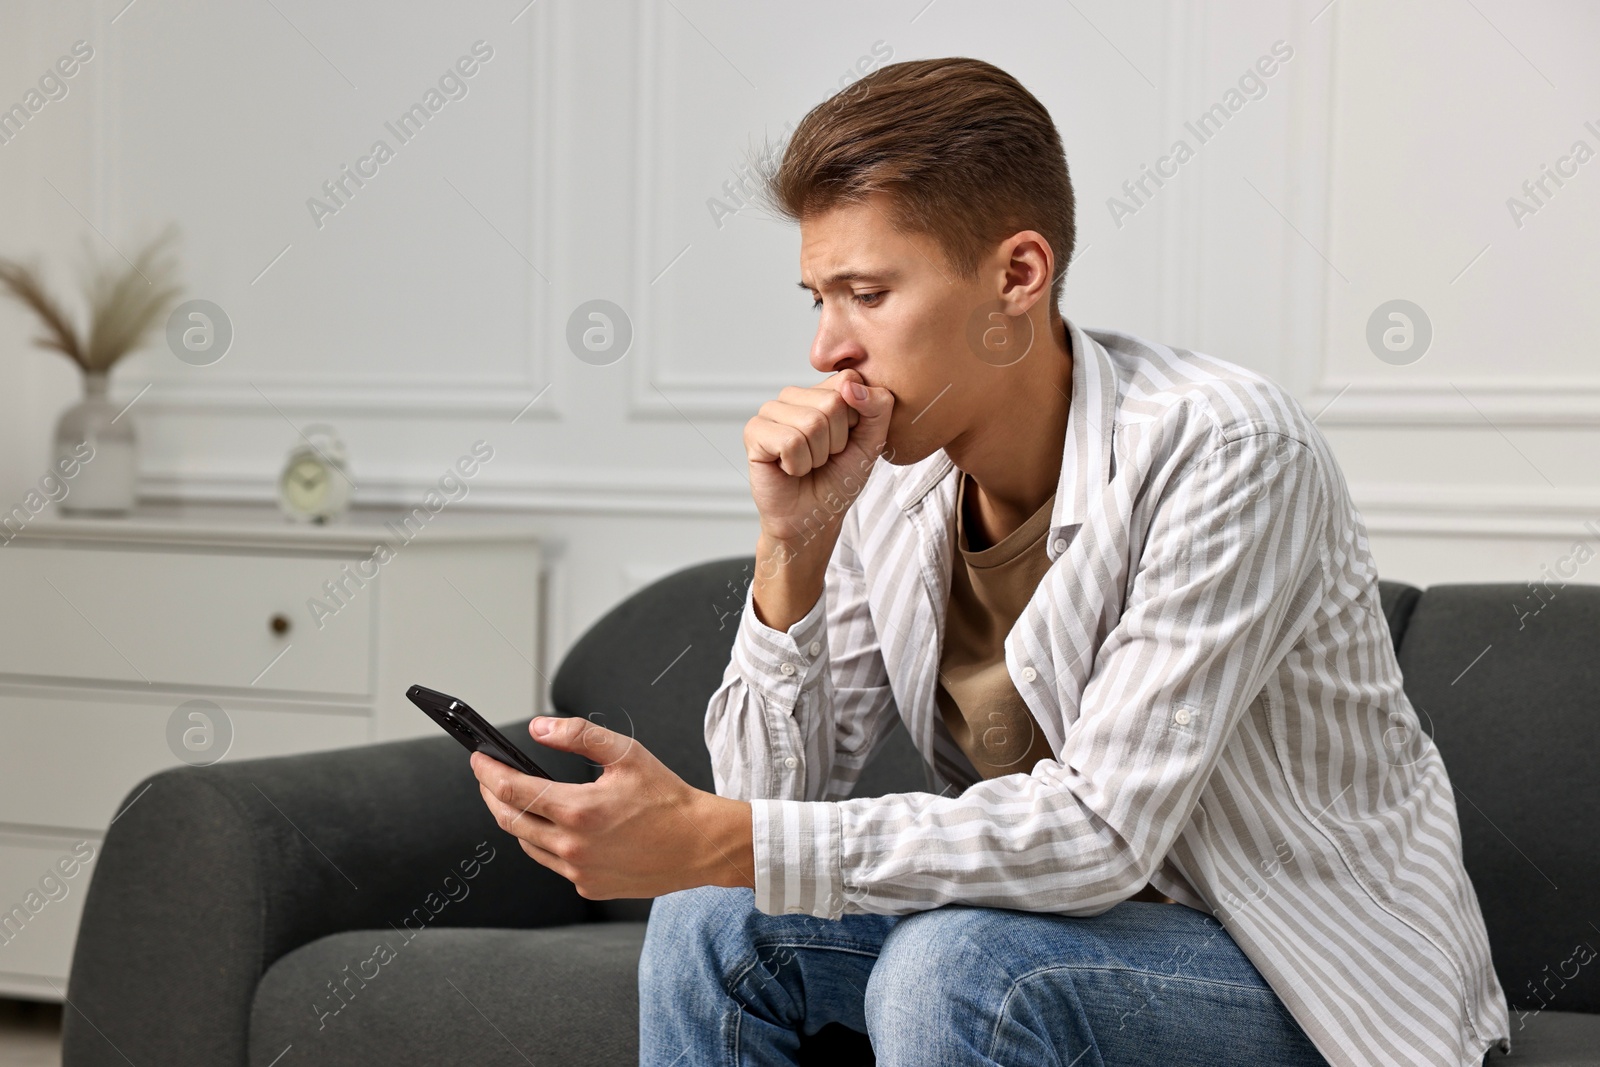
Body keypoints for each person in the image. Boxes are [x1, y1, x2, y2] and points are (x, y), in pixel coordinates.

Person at [470, 56, 1511, 1066]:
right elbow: (765, 805)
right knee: (710, 921)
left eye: (867, 294)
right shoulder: (893, 473)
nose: (826, 348)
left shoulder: (1229, 450)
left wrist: (721, 837)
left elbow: (1101, 831)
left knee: (959, 964)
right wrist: (793, 544)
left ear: (1017, 274)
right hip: (1057, 932)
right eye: (816, 296)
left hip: (1300, 968)